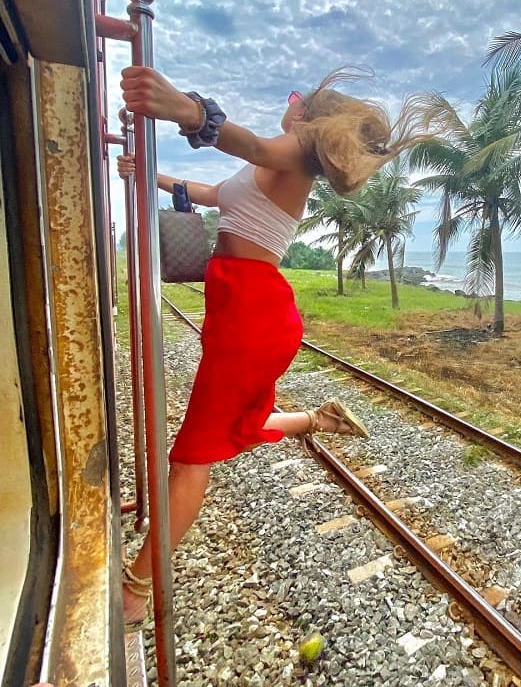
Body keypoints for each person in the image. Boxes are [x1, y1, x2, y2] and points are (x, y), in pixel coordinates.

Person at [117, 65, 431, 627]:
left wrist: (191, 110)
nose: (288, 105)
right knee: (235, 422)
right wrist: (153, 175)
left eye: (296, 100)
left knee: (190, 459)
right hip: (243, 311)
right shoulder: (273, 164)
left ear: (310, 117)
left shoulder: (296, 154)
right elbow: (216, 193)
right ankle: (317, 419)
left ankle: (139, 585)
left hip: (250, 318)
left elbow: (257, 144)